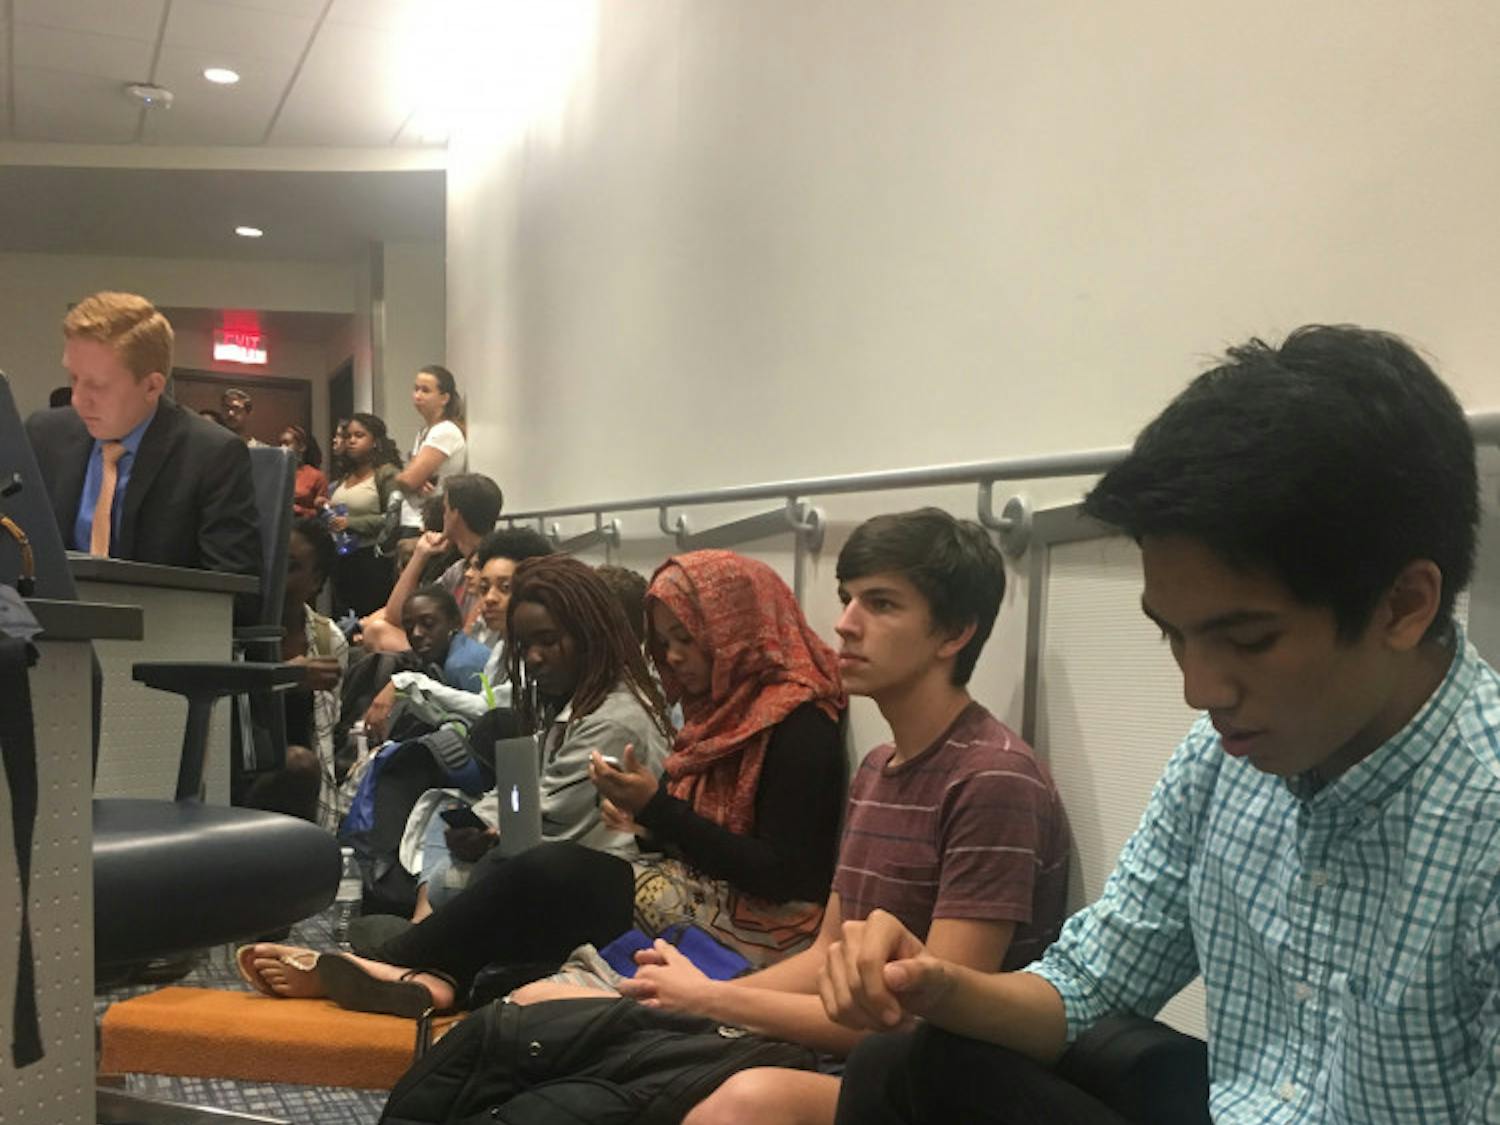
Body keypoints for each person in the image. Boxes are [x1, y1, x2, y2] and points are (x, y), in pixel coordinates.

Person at [827, 326, 1499, 1125]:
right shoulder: (1220, 760)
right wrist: (933, 984)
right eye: (1173, 635)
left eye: (1249, 640)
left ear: (1404, 605)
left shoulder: (1482, 813)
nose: (1198, 688)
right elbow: (1087, 983)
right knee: (905, 1064)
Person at [590, 512, 1070, 1125]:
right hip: (856, 1048)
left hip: (934, 1084)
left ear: (954, 633)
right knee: (576, 1019)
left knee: (738, 1105)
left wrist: (712, 1000)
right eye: (847, 599)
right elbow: (829, 952)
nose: (845, 623)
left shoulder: (992, 778)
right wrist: (703, 999)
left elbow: (930, 1021)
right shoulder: (878, 767)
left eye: (881, 604)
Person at [239, 555, 680, 1011]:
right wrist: (488, 827)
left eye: (548, 641)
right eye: (524, 645)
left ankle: (396, 958)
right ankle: (432, 964)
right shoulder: (577, 704)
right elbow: (532, 803)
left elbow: (554, 824)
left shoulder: (615, 719)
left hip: (608, 888)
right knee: (470, 832)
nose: (533, 658)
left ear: (591, 636)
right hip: (578, 875)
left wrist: (495, 835)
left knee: (531, 867)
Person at [23, 291, 260, 587]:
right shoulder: (44, 435)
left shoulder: (212, 456)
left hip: (161, 615)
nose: (78, 399)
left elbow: (234, 592)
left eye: (97, 385)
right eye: (74, 378)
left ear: (152, 387)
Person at [243, 518, 349, 827]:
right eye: (269, 562)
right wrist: (285, 678)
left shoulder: (328, 639)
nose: (273, 575)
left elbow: (325, 736)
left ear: (315, 580)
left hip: (304, 790)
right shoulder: (239, 629)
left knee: (301, 765)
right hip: (240, 773)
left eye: (290, 567)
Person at [359, 472, 503, 660]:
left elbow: (471, 636)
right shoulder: (459, 569)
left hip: (473, 658)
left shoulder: (491, 568)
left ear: (455, 515)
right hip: (452, 652)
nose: (443, 516)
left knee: (377, 632)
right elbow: (397, 615)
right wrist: (420, 555)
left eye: (445, 509)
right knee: (377, 630)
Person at [327, 412, 402, 616]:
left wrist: (351, 522)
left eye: (359, 435)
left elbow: (393, 519)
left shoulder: (387, 474)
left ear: (375, 441)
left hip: (372, 560)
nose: (351, 441)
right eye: (348, 436)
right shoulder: (345, 477)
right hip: (342, 557)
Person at [394, 364, 467, 536]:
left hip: (426, 523)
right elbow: (411, 478)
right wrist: (411, 479)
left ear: (444, 398)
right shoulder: (425, 431)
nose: (417, 395)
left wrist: (404, 478)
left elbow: (408, 480)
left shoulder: (444, 431)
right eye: (416, 389)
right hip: (415, 518)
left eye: (425, 390)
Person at [279, 424, 328, 520]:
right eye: (280, 444)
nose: (282, 448)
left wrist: (300, 510)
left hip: (304, 524)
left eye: (286, 444)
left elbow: (323, 513)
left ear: (302, 447)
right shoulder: (276, 474)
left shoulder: (316, 476)